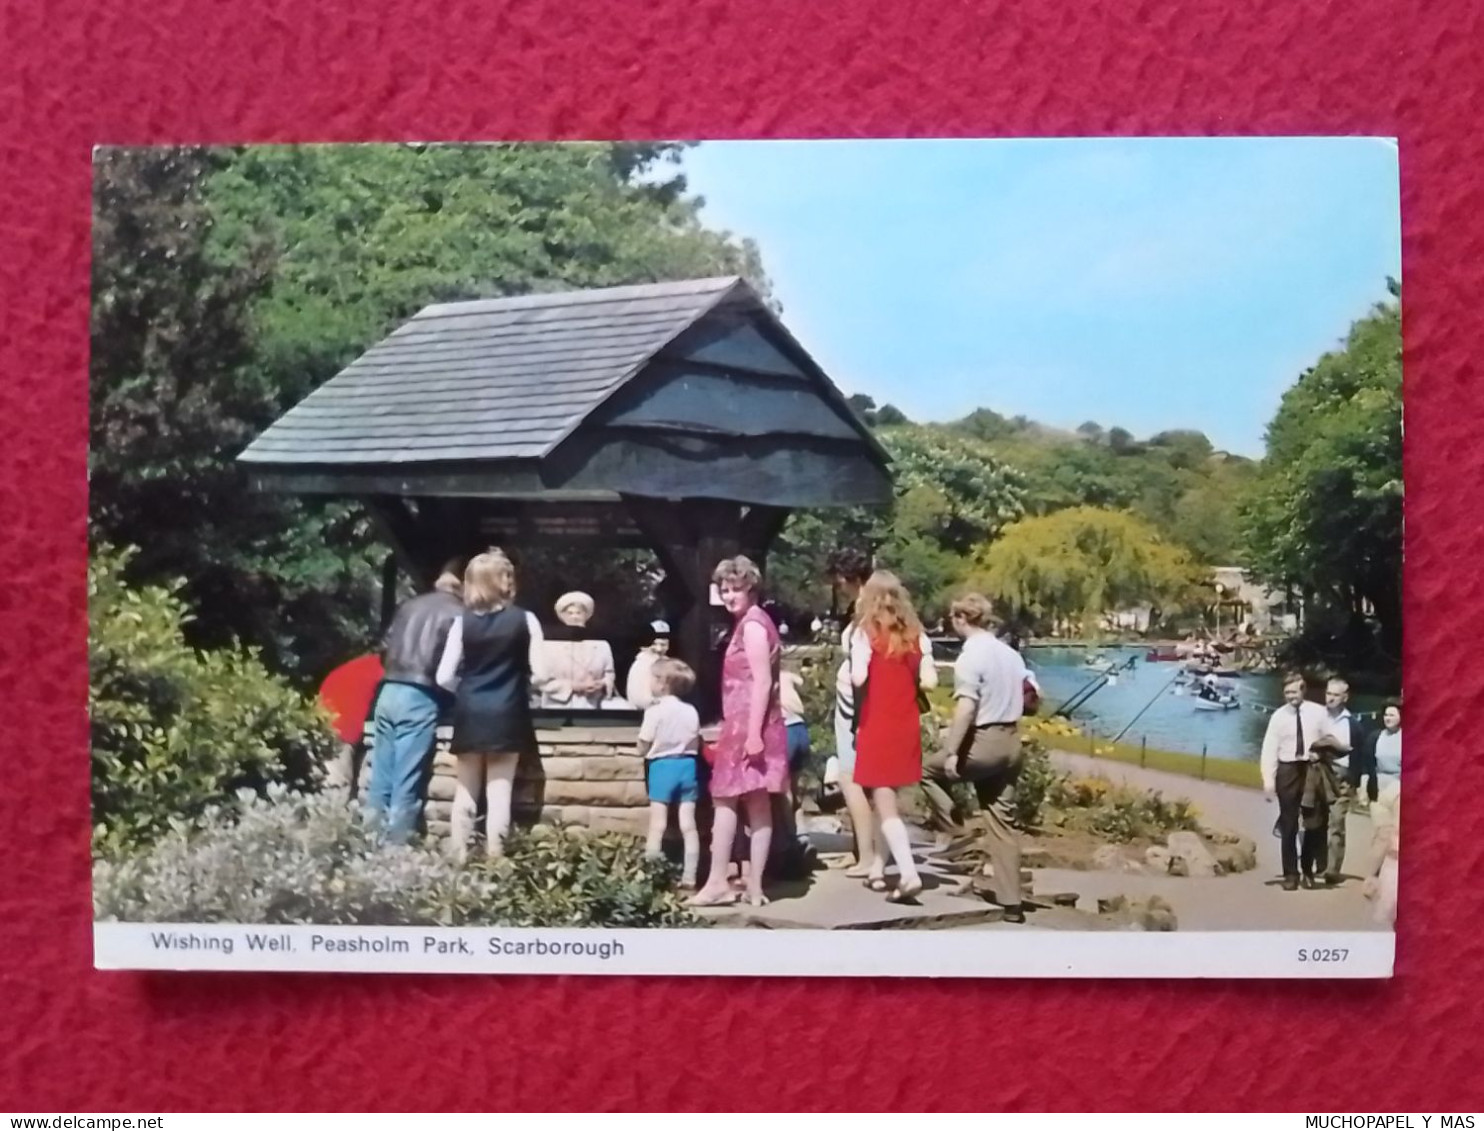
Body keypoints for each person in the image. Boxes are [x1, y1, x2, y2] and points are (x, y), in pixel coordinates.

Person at [920, 592, 1029, 922]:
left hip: (985, 740)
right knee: (1001, 822)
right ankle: (1012, 904)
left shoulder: (970, 657)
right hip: (1012, 741)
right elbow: (1031, 696)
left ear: (960, 619)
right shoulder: (1010, 655)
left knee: (924, 769)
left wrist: (952, 750)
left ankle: (955, 830)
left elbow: (966, 707)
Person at [689, 556, 788, 908]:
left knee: (729, 800)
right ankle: (752, 887)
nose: (730, 596)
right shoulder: (750, 622)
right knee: (753, 803)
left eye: (736, 589)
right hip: (747, 722)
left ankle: (723, 882)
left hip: (751, 723)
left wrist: (753, 734)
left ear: (752, 588)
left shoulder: (753, 627)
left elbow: (762, 681)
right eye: (725, 589)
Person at [435, 549, 546, 861]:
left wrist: (468, 689)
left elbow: (444, 676)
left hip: (470, 710)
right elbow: (542, 675)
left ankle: (459, 859)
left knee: (465, 792)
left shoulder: (461, 623)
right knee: (500, 794)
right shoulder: (525, 619)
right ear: (503, 581)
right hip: (508, 710)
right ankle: (496, 864)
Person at [850, 571, 938, 902]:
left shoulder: (866, 633)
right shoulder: (915, 634)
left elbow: (858, 678)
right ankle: (878, 867)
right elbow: (928, 679)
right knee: (888, 798)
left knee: (883, 802)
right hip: (907, 722)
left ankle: (908, 872)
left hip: (878, 721)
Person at [364, 560, 464, 843]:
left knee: (380, 780)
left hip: (388, 690)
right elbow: (458, 665)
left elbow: (383, 649)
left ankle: (367, 848)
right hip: (421, 694)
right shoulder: (460, 613)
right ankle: (396, 859)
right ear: (463, 584)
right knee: (405, 783)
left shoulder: (408, 605)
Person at [1260, 674, 1335, 890]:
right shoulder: (1278, 717)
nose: (1291, 697)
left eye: (1295, 692)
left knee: (1312, 823)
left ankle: (1308, 869)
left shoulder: (1319, 713)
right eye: (1287, 693)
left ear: (1304, 690)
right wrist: (1268, 782)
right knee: (1289, 824)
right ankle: (1290, 874)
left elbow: (1329, 739)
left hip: (1311, 769)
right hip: (1288, 769)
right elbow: (1269, 749)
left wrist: (1320, 754)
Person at [639, 657, 702, 889]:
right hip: (687, 766)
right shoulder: (691, 711)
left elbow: (644, 742)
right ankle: (690, 876)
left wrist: (642, 750)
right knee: (689, 825)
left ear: (661, 683)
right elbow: (695, 739)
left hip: (662, 767)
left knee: (658, 825)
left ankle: (651, 876)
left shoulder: (654, 712)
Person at [1317, 678, 1367, 886]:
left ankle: (1332, 870)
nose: (1330, 698)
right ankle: (1315, 863)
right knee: (1312, 821)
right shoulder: (1317, 718)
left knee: (1336, 822)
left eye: (1335, 695)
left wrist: (1358, 783)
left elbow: (1360, 757)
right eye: (1328, 693)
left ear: (1345, 697)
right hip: (1317, 773)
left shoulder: (1352, 725)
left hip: (1341, 777)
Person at [540, 591, 616, 709]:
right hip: (557, 708)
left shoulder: (602, 645)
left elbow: (609, 674)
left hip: (593, 706)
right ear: (563, 616)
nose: (574, 617)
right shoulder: (549, 646)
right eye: (570, 613)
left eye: (578, 613)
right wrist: (575, 686)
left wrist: (602, 684)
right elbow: (542, 680)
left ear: (586, 615)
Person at [624, 620, 671, 709]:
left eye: (663, 644)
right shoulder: (641, 665)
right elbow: (638, 699)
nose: (659, 649)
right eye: (654, 644)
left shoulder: (668, 664)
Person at [1369, 701, 1402, 795]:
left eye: (1392, 715)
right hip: (1379, 783)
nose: (1387, 718)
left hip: (1399, 785)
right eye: (1386, 715)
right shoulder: (1375, 736)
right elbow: (1368, 765)